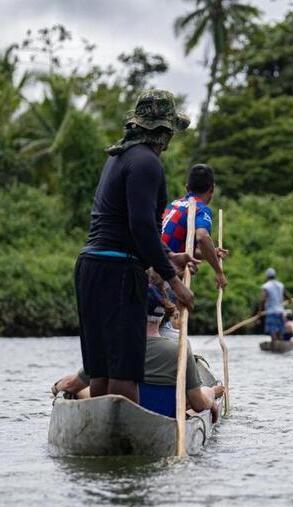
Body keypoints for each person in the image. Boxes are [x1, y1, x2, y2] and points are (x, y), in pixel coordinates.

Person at [75, 89, 198, 404]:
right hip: (118, 271)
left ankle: (100, 428)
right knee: (124, 370)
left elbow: (135, 227)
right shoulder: (147, 162)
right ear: (164, 133)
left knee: (102, 369)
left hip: (92, 267)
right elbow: (141, 227)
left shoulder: (119, 158)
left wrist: (168, 255)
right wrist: (174, 281)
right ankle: (123, 431)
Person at [52, 285, 224, 419]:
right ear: (162, 315)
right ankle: (211, 391)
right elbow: (198, 404)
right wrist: (210, 396)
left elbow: (71, 385)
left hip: (118, 418)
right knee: (199, 394)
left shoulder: (112, 347)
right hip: (163, 419)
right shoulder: (180, 350)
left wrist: (57, 387)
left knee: (82, 390)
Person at [161, 163, 229, 290]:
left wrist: (212, 252)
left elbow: (184, 248)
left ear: (187, 188)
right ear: (212, 189)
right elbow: (202, 237)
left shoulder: (173, 205)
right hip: (167, 275)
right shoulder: (200, 209)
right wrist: (218, 272)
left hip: (152, 267)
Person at [260, 268, 287, 343]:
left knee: (273, 331)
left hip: (271, 312)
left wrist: (260, 311)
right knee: (280, 331)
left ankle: (274, 344)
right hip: (281, 312)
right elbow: (286, 295)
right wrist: (290, 300)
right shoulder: (281, 285)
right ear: (275, 275)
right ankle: (280, 345)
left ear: (267, 276)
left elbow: (262, 299)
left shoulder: (266, 286)